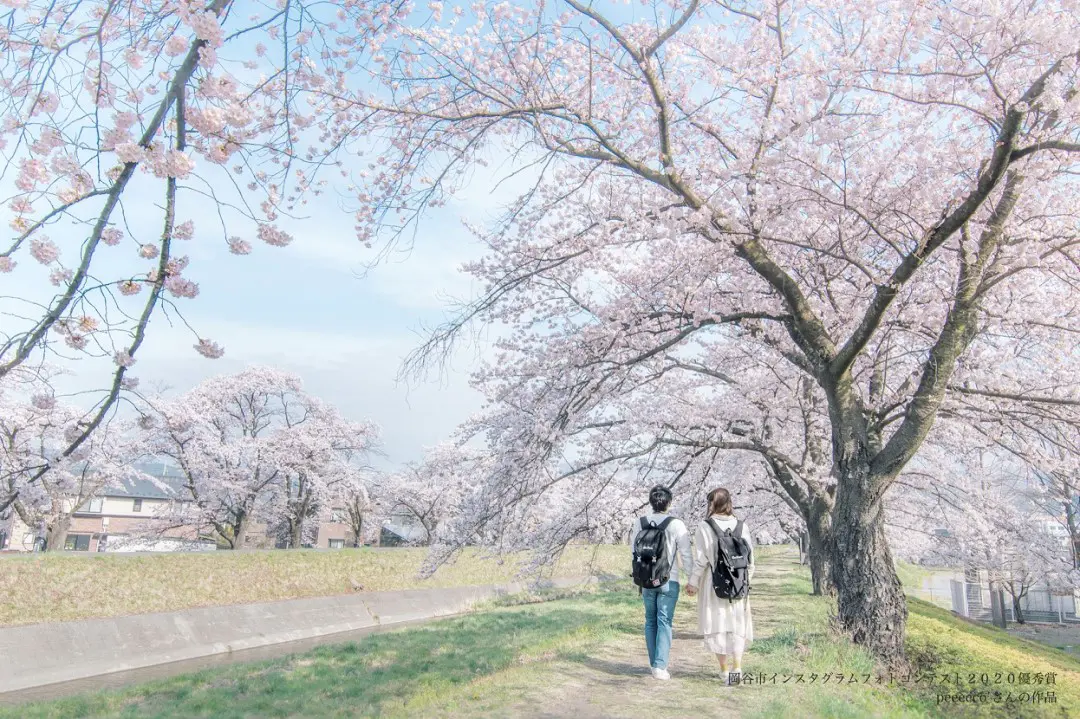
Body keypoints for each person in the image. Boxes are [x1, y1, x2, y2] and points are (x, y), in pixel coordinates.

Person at [686, 487, 755, 686]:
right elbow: (750, 560)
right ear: (729, 503)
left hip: (714, 583)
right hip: (739, 585)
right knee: (737, 626)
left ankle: (724, 671)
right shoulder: (742, 526)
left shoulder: (705, 527)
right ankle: (738, 668)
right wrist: (743, 580)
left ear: (711, 504)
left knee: (717, 626)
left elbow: (701, 560)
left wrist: (693, 583)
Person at [629, 484, 692, 680]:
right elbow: (686, 555)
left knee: (650, 620)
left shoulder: (640, 523)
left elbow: (633, 551)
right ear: (669, 503)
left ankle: (654, 663)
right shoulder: (676, 524)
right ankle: (660, 666)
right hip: (668, 580)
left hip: (646, 580)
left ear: (650, 502)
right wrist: (692, 579)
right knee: (664, 621)